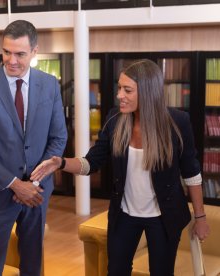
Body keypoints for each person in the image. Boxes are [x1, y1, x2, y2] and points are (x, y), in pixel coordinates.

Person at [31, 59, 210, 276]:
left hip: (164, 217)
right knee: (116, 271)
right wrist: (60, 162)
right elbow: (91, 162)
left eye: (127, 90)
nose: (119, 95)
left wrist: (200, 218)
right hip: (124, 214)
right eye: (119, 88)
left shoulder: (177, 121)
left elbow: (191, 173)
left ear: (147, 92)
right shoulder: (115, 120)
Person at [0, 20, 67, 276]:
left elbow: (58, 137)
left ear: (34, 51)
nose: (12, 60)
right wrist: (15, 184)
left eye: (20, 54)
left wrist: (33, 183)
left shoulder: (50, 84)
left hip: (38, 192)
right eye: (6, 52)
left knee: (33, 264)